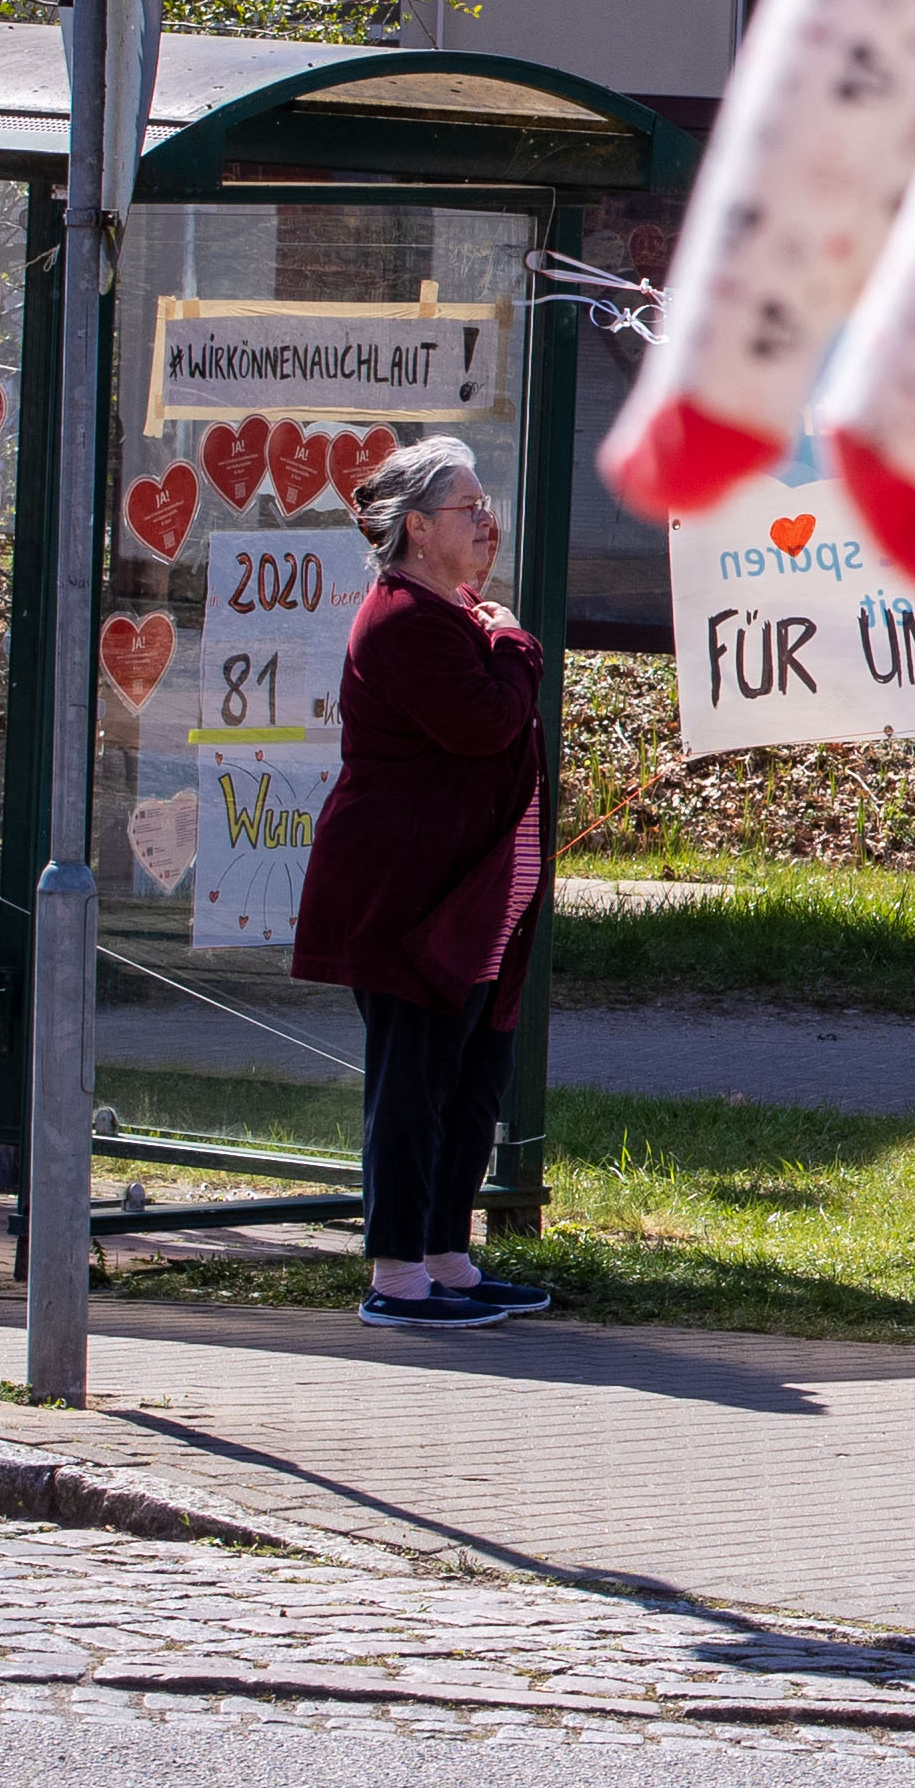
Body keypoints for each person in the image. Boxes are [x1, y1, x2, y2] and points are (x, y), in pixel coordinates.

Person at [291, 438, 557, 1332]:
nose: (488, 522)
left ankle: (448, 1256)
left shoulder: (458, 615)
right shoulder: (406, 618)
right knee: (412, 1091)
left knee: (471, 1084)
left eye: (486, 505)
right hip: (409, 909)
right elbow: (487, 723)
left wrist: (495, 633)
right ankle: (396, 1277)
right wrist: (517, 641)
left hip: (475, 910)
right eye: (467, 509)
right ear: (415, 527)